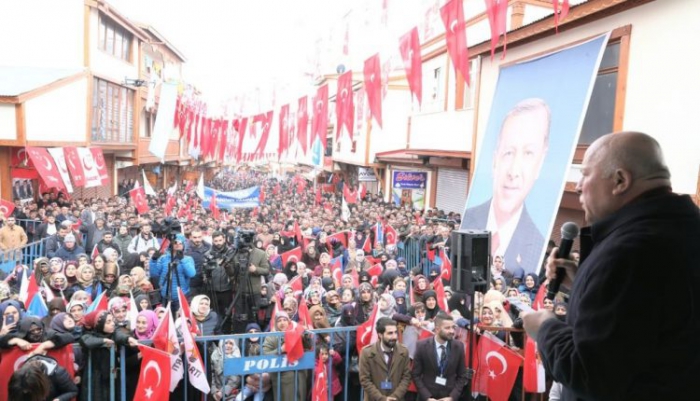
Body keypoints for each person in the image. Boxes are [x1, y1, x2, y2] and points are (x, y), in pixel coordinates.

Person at [522, 132, 700, 400]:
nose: (579, 185)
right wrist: (583, 280)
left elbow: (590, 374)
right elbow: (640, 317)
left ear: (620, 181)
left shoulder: (629, 253)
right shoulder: (683, 228)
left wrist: (545, 328)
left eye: (585, 174)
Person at [460, 98, 549, 275]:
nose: (513, 171)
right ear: (495, 160)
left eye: (528, 153)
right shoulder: (468, 220)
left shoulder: (537, 246)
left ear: (540, 164)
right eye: (508, 152)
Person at [411, 312, 468, 401]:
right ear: (437, 329)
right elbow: (415, 374)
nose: (452, 331)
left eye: (453, 327)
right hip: (427, 397)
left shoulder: (459, 346)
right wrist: (427, 397)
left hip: (448, 396)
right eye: (447, 328)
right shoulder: (421, 346)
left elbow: (462, 375)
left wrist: (452, 397)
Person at [359, 317, 412, 401]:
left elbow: (406, 378)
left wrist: (395, 397)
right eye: (390, 333)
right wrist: (382, 399)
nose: (394, 337)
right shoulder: (367, 353)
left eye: (395, 332)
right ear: (380, 335)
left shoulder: (404, 352)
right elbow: (365, 380)